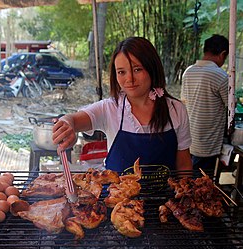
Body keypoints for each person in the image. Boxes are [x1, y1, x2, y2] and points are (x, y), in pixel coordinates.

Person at [53, 36, 192, 173]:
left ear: (152, 68)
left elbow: (184, 165)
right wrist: (67, 124)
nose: (129, 79)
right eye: (121, 72)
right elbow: (73, 119)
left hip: (165, 195)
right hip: (117, 195)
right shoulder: (109, 108)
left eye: (137, 69)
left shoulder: (176, 109)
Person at [181, 34, 229, 171]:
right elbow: (230, 106)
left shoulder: (188, 72)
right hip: (208, 143)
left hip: (189, 139)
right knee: (203, 183)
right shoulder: (220, 75)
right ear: (222, 54)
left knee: (189, 179)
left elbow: (184, 101)